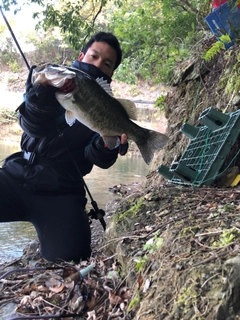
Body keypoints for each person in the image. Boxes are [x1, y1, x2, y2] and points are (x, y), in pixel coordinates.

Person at [0, 32, 128, 263]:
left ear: (111, 73)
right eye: (94, 56)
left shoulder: (109, 107)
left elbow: (99, 158)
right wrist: (40, 93)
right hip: (17, 175)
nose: (98, 64)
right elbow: (32, 125)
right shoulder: (49, 81)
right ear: (81, 55)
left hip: (63, 191)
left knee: (71, 258)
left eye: (106, 63)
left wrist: (105, 145)